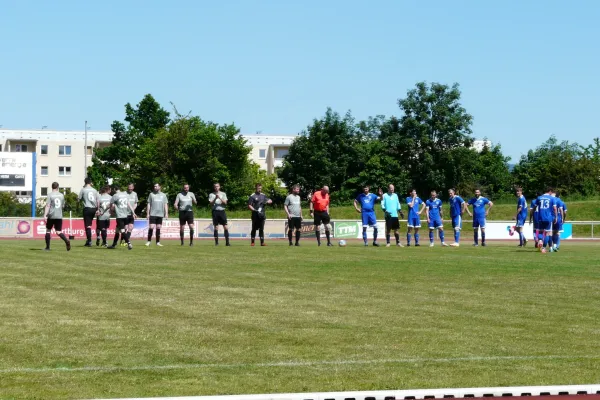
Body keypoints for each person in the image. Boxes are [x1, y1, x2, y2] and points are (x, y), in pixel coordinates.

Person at [43, 182, 71, 251]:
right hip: (59, 215)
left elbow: (48, 205)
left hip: (51, 215)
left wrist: (45, 215)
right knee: (58, 231)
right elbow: (63, 205)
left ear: (51, 187)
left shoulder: (50, 195)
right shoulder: (61, 195)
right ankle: (66, 240)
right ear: (58, 187)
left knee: (48, 230)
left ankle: (47, 247)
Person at [109, 185, 136, 249]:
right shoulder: (125, 194)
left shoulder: (115, 196)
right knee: (117, 231)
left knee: (122, 231)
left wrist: (111, 211)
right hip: (125, 215)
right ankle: (113, 245)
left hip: (120, 216)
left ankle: (129, 243)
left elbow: (110, 205)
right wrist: (133, 212)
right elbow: (129, 204)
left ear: (115, 189)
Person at [78, 177, 99, 247]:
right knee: (90, 224)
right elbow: (98, 201)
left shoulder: (83, 190)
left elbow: (79, 199)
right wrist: (98, 209)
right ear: (90, 182)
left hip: (87, 208)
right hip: (94, 209)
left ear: (85, 182)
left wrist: (78, 203)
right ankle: (89, 240)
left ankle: (89, 241)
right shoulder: (95, 190)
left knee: (88, 226)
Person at [536, 187, 557, 253]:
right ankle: (543, 248)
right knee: (547, 233)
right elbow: (555, 208)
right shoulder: (552, 198)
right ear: (550, 191)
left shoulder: (539, 198)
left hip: (540, 217)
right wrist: (555, 217)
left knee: (540, 232)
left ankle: (540, 241)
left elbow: (535, 207)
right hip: (548, 218)